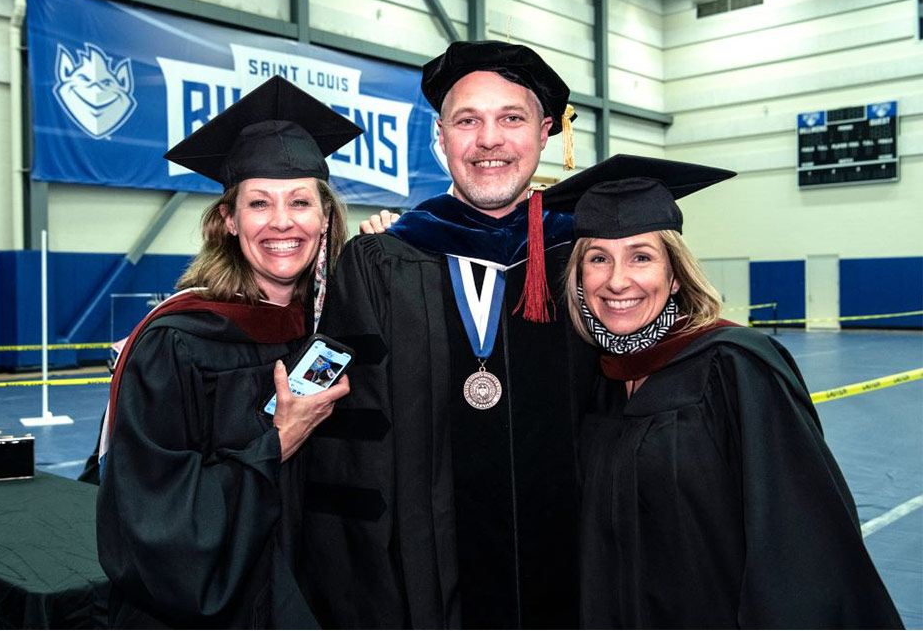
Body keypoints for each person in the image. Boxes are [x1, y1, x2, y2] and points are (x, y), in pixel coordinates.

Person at [298, 41, 598, 629]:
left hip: (580, 573)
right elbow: (340, 442)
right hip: (429, 585)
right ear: (441, 137)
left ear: (544, 134)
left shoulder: (588, 258)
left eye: (511, 118)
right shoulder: (379, 263)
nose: (489, 140)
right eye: (468, 120)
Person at [556, 154, 903, 628]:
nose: (618, 280)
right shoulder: (600, 381)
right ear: (579, 277)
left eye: (641, 256)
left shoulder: (735, 365)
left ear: (675, 275)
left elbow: (800, 542)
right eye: (598, 258)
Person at [96, 76, 362, 628]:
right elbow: (155, 519)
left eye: (301, 202)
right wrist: (278, 443)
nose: (282, 222)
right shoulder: (177, 342)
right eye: (258, 203)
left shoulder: (326, 329)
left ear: (327, 218)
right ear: (229, 220)